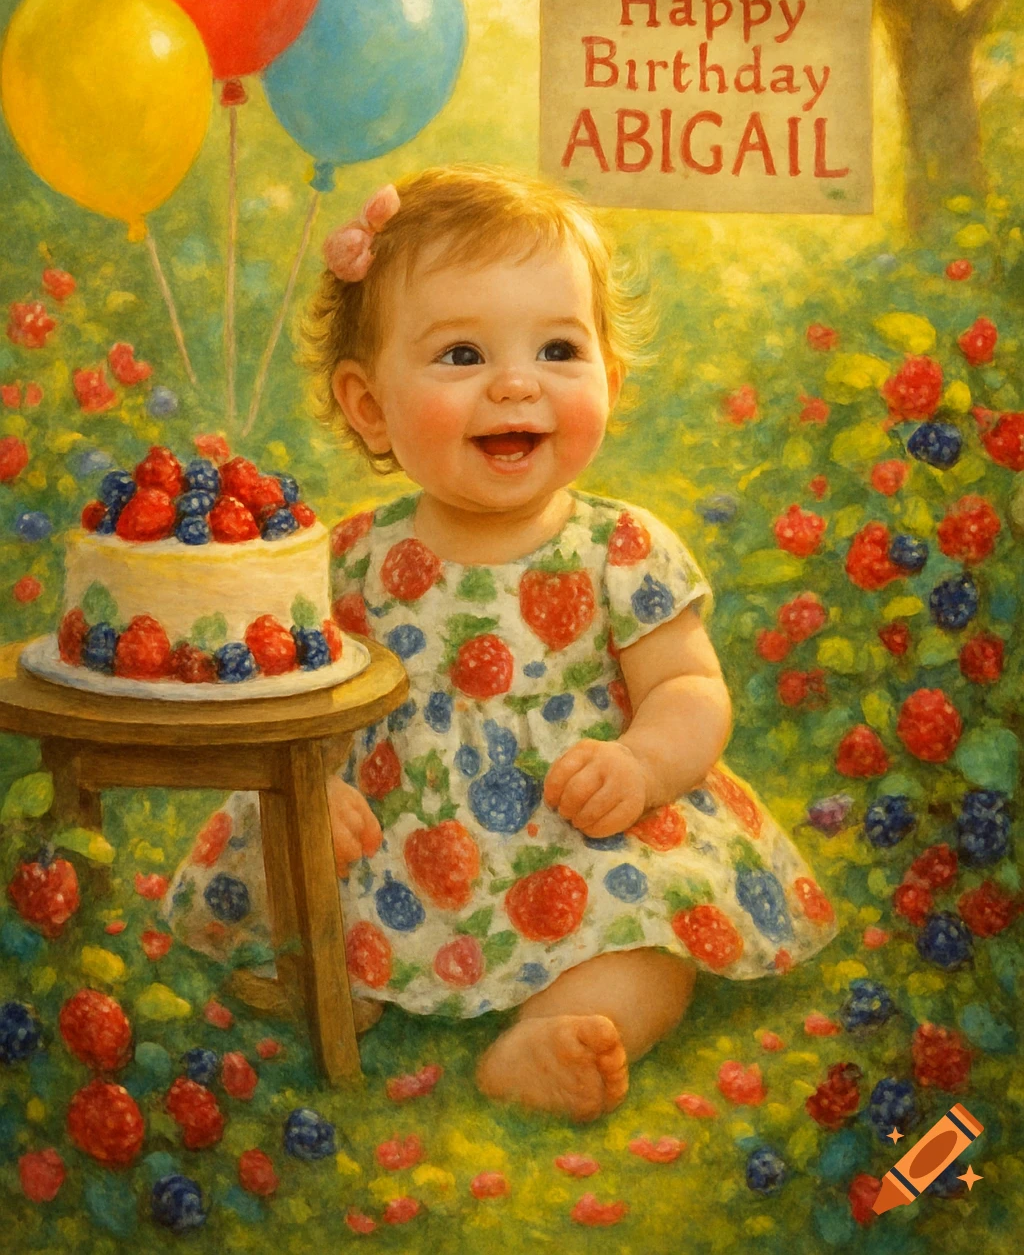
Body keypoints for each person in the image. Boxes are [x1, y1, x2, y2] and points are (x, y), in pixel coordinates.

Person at [163, 164, 838, 1122]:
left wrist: (642, 765)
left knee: (648, 928)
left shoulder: (621, 548)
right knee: (291, 855)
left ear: (609, 378)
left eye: (559, 348)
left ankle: (556, 1030)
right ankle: (337, 977)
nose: (517, 383)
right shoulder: (346, 562)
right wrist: (314, 787)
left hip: (576, 833)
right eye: (462, 355)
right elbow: (296, 701)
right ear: (368, 404)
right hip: (396, 835)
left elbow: (688, 687)